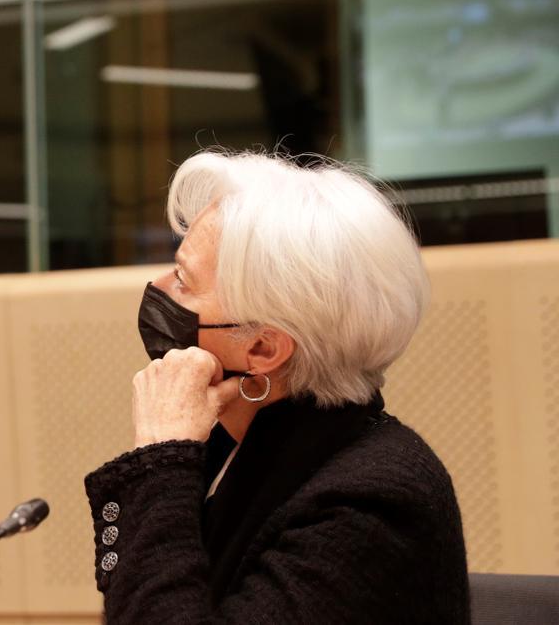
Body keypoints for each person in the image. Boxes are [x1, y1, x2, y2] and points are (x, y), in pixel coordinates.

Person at [85, 150, 469, 622]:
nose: (159, 285)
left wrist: (160, 457)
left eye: (184, 280)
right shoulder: (238, 442)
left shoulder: (370, 505)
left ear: (264, 350)